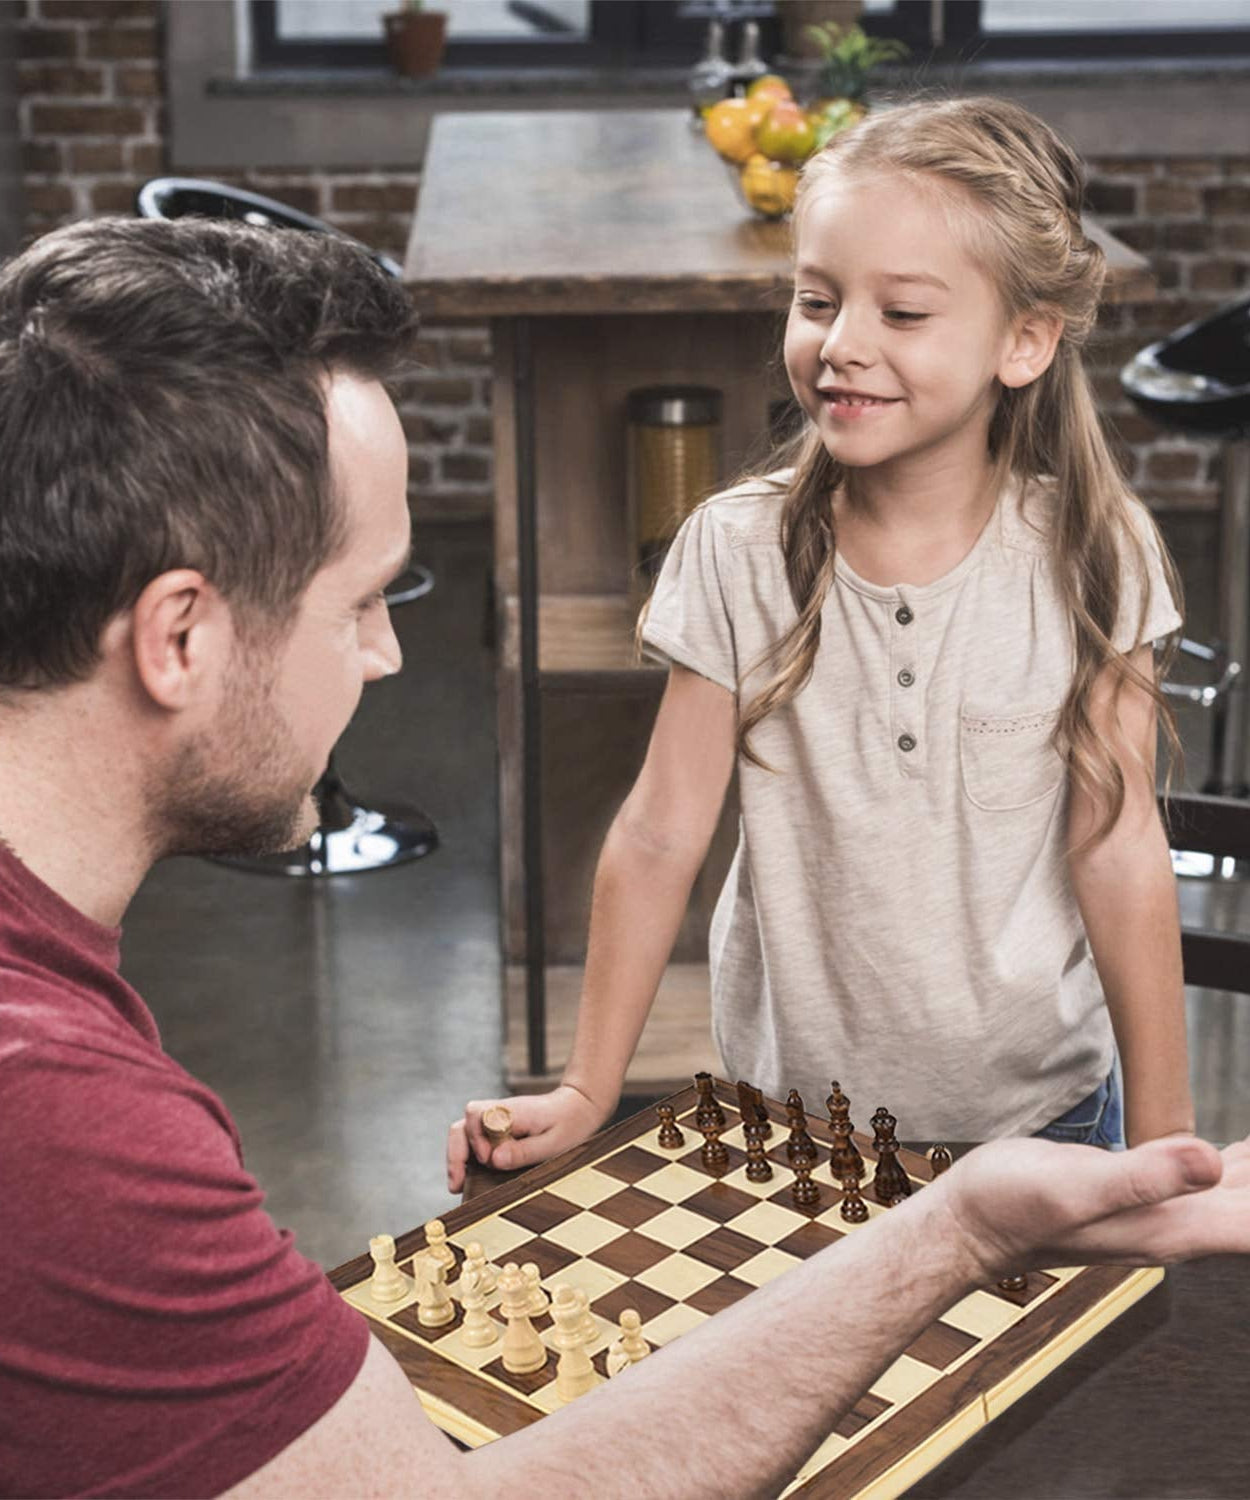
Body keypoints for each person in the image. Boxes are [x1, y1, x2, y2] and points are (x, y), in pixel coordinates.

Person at [2, 215, 1245, 1500]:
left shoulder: (64, 1067)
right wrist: (962, 1224)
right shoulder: (66, 1126)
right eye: (363, 601)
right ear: (180, 639)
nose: (386, 658)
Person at [448, 95, 1192, 1193]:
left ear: (1023, 341)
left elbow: (1117, 849)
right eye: (815, 300)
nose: (839, 345)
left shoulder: (1093, 553)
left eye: (901, 314)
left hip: (1048, 1126)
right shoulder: (736, 550)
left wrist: (1164, 1144)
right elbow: (658, 835)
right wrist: (585, 1089)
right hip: (798, 1137)